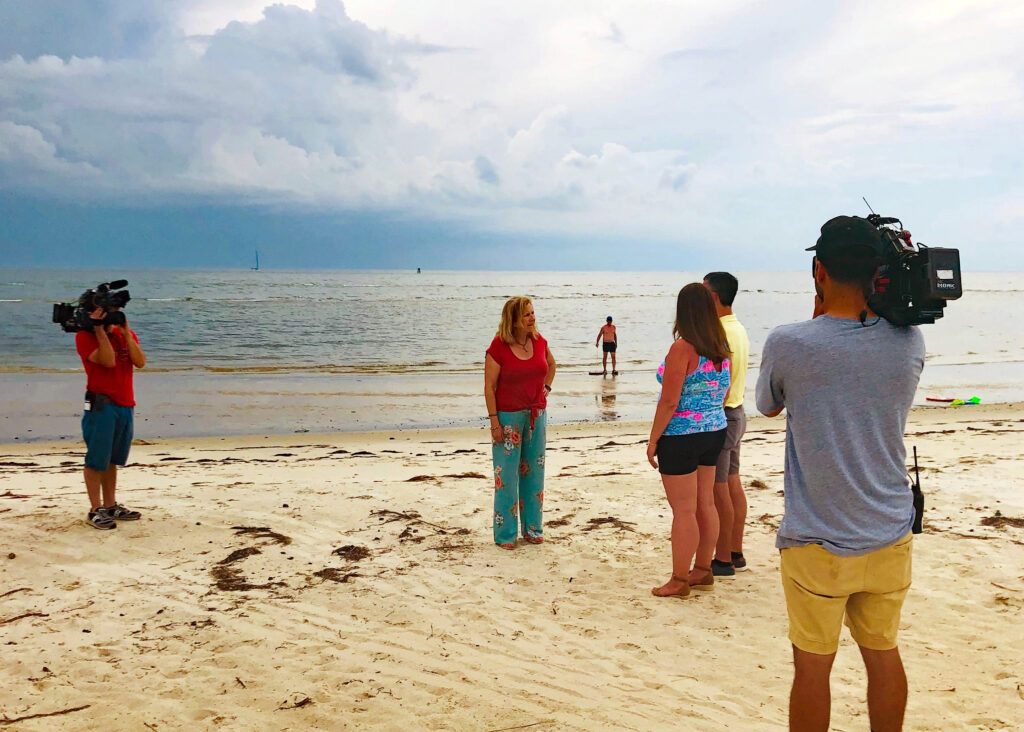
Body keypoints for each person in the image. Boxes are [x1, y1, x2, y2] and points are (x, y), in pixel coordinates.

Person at [756, 216, 925, 732]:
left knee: (812, 666)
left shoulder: (790, 342)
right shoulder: (910, 341)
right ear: (880, 272)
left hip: (817, 540)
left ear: (819, 270)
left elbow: (767, 405)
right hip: (889, 528)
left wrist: (815, 320)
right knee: (883, 654)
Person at [647, 283, 730, 598]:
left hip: (681, 435)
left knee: (683, 510)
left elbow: (669, 401)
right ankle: (703, 570)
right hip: (714, 429)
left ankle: (680, 579)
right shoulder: (720, 345)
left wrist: (653, 440)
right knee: (704, 503)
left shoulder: (682, 348)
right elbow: (722, 390)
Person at [484, 297, 556, 549]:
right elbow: (489, 387)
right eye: (526, 315)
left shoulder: (539, 341)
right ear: (513, 319)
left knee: (534, 475)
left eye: (533, 313)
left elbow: (551, 365)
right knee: (506, 478)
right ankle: (505, 534)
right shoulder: (498, 346)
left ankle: (533, 529)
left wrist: (546, 387)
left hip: (536, 416)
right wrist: (494, 422)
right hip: (507, 419)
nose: (532, 318)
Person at [76, 305, 147, 529]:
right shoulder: (85, 336)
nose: (114, 315)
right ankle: (95, 509)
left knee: (112, 459)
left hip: (125, 403)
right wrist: (99, 330)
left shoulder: (125, 334)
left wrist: (125, 333)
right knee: (97, 459)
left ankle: (110, 505)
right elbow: (108, 360)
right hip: (101, 403)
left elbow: (140, 361)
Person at [703, 272, 750, 576]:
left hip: (724, 413)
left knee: (719, 487)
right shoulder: (738, 328)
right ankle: (735, 551)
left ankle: (724, 558)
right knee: (732, 481)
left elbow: (718, 381)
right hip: (737, 410)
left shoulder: (719, 331)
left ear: (716, 297)